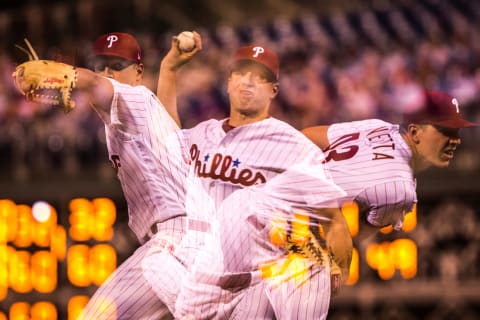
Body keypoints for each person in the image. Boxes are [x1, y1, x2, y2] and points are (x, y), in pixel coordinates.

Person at [12, 31, 203, 319]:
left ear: (138, 73)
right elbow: (172, 125)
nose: (107, 73)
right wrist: (169, 69)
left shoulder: (134, 98)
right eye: (101, 65)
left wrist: (70, 73)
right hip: (195, 244)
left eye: (116, 66)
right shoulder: (149, 117)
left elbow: (94, 83)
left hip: (174, 243)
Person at [164, 44, 352, 320]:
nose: (249, 81)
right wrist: (169, 69)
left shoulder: (294, 146)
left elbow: (334, 220)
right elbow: (165, 133)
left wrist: (340, 267)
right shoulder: (203, 133)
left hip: (257, 285)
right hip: (199, 285)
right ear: (228, 83)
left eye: (260, 77)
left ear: (273, 91)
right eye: (241, 73)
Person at [302, 89, 477, 242]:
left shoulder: (378, 126)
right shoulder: (398, 189)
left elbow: (306, 136)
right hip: (294, 230)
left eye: (457, 131)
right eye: (446, 132)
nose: (456, 140)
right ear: (415, 132)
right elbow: (349, 242)